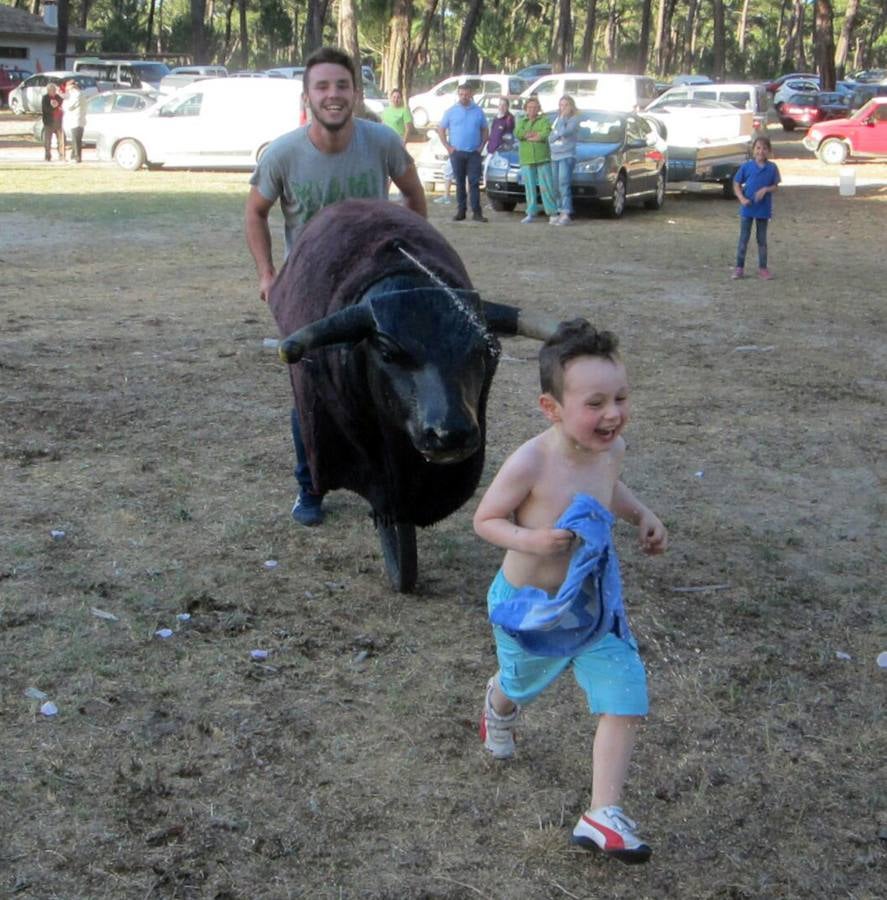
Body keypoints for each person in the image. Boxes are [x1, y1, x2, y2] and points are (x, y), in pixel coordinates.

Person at [473, 318, 667, 864]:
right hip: (529, 610)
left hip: (591, 604)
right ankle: (500, 704)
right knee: (521, 685)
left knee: (625, 692)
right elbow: (485, 520)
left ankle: (602, 813)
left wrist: (641, 514)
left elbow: (609, 489)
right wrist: (532, 539)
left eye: (621, 398)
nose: (612, 414)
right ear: (551, 408)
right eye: (595, 403)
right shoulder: (532, 461)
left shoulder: (612, 449)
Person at [245, 46, 427, 527]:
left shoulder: (382, 142)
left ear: (354, 93)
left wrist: (414, 254)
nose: (333, 95)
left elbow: (413, 195)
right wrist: (268, 275)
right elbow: (255, 212)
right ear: (306, 96)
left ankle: (390, 478)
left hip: (374, 282)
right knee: (310, 388)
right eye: (322, 87)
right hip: (311, 286)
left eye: (341, 86)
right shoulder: (284, 153)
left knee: (391, 378)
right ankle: (310, 487)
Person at [437, 81, 488, 223]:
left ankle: (477, 212)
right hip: (457, 153)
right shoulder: (451, 111)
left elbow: (485, 129)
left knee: (474, 182)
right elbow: (441, 129)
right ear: (458, 95)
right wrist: (448, 147)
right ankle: (461, 211)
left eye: (466, 94)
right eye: (461, 94)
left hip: (474, 153)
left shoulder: (478, 111)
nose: (464, 97)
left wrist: (482, 146)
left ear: (471, 94)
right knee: (459, 183)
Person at [732, 136, 780, 280]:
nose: (761, 151)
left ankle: (763, 268)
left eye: (764, 148)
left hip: (763, 209)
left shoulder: (772, 168)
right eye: (758, 148)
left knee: (762, 240)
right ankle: (739, 268)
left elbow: (776, 186)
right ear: (753, 150)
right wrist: (741, 198)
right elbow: (736, 183)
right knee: (744, 238)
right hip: (748, 208)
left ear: (769, 151)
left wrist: (765, 189)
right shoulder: (746, 167)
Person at [514, 96, 559, 224]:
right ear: (525, 109)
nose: (532, 110)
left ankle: (552, 212)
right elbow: (518, 133)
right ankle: (531, 212)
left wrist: (532, 135)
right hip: (527, 159)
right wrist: (531, 135)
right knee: (529, 187)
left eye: (534, 107)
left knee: (547, 186)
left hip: (542, 157)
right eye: (529, 107)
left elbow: (545, 133)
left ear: (538, 108)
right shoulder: (521, 120)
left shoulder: (544, 120)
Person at [548, 95, 580, 225]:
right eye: (561, 105)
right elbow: (550, 137)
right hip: (554, 154)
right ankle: (558, 209)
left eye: (566, 105)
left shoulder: (574, 119)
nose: (563, 108)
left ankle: (566, 212)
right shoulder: (556, 119)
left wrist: (561, 123)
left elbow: (565, 132)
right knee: (555, 184)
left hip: (566, 155)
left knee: (563, 183)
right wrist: (557, 133)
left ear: (571, 106)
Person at [483, 96, 515, 184]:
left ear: (507, 106)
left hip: (501, 151)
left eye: (504, 105)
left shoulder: (509, 119)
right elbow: (493, 133)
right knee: (486, 172)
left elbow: (510, 136)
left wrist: (503, 146)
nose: (501, 107)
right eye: (500, 105)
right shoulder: (496, 118)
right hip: (491, 149)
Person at [62, 79, 87, 164]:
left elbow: (69, 107)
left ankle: (77, 157)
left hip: (77, 120)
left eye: (68, 89)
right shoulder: (78, 94)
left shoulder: (77, 95)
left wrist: (64, 104)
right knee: (75, 140)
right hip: (77, 120)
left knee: (76, 140)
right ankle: (73, 156)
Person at [41, 83, 65, 162]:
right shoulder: (45, 98)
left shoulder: (58, 97)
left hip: (58, 121)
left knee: (61, 139)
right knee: (48, 140)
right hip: (49, 122)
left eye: (55, 89)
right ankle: (48, 155)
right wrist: (53, 106)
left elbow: (62, 104)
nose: (54, 91)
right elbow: (46, 109)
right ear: (48, 90)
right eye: (52, 90)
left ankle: (61, 155)